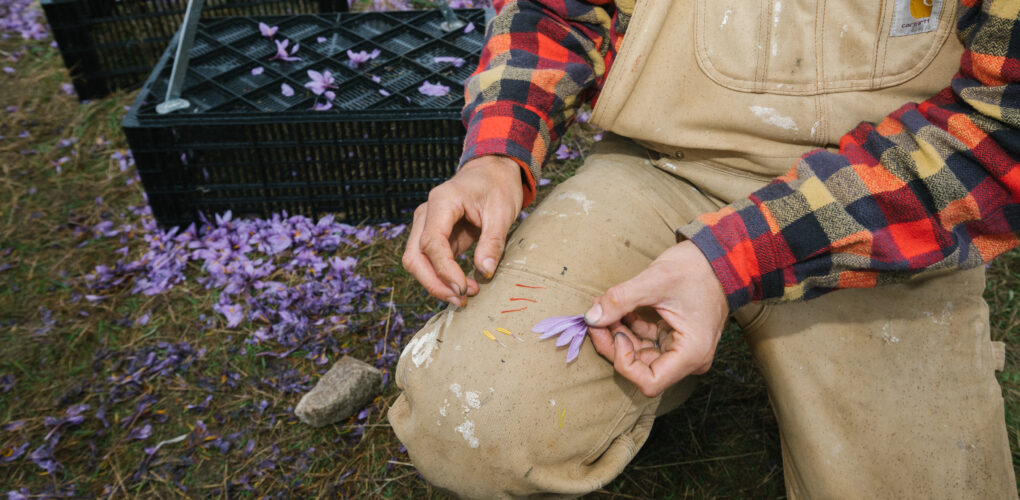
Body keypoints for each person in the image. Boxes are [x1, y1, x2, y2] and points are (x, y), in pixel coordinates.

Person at [389, 0, 1020, 497]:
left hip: (879, 220)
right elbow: (555, 9)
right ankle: (653, 373)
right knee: (471, 431)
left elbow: (1002, 137)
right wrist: (499, 151)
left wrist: (732, 261)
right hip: (667, 169)